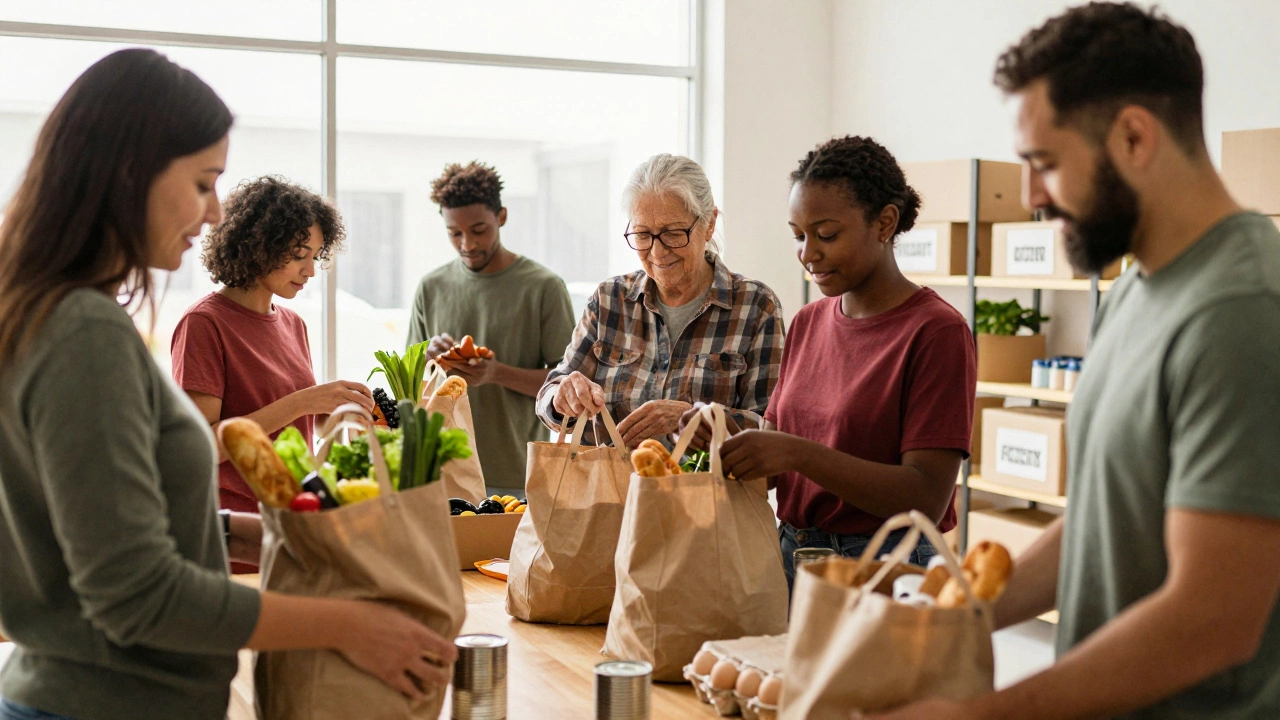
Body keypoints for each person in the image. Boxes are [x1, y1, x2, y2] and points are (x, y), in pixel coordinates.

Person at [0, 49, 454, 720]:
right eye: (203, 182)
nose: (214, 213)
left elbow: (98, 527)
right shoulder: (85, 333)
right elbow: (136, 593)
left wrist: (249, 532)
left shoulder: (52, 312)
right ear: (129, 174)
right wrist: (351, 626)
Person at [870, 4, 1280, 720]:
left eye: (1045, 164)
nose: (1030, 198)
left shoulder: (1242, 309)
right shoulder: (1140, 286)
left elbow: (1214, 620)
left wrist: (980, 715)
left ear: (1133, 136)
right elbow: (1101, 514)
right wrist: (958, 619)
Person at [682, 136, 976, 591]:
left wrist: (798, 452)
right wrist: (723, 434)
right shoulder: (807, 322)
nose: (807, 253)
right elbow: (779, 465)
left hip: (883, 566)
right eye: (798, 236)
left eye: (827, 235)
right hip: (790, 554)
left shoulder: (936, 332)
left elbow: (926, 498)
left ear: (885, 223)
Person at [172, 175, 374, 572]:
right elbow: (202, 448)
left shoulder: (293, 323)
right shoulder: (204, 324)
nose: (310, 271)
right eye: (299, 254)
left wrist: (352, 414)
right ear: (259, 244)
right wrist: (304, 401)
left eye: (315, 256)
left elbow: (300, 432)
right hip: (235, 535)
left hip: (294, 520)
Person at [537, 153, 784, 449]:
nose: (657, 252)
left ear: (709, 224)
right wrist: (563, 395)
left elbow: (772, 432)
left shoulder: (755, 307)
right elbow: (549, 394)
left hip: (703, 495)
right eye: (642, 235)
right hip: (607, 493)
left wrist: (696, 418)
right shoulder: (609, 300)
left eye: (673, 233)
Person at [407, 161, 574, 495]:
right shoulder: (430, 287)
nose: (467, 244)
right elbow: (408, 388)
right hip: (441, 473)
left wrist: (495, 373)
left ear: (502, 217)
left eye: (479, 230)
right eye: (455, 233)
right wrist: (427, 359)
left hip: (518, 477)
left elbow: (569, 384)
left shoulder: (544, 287)